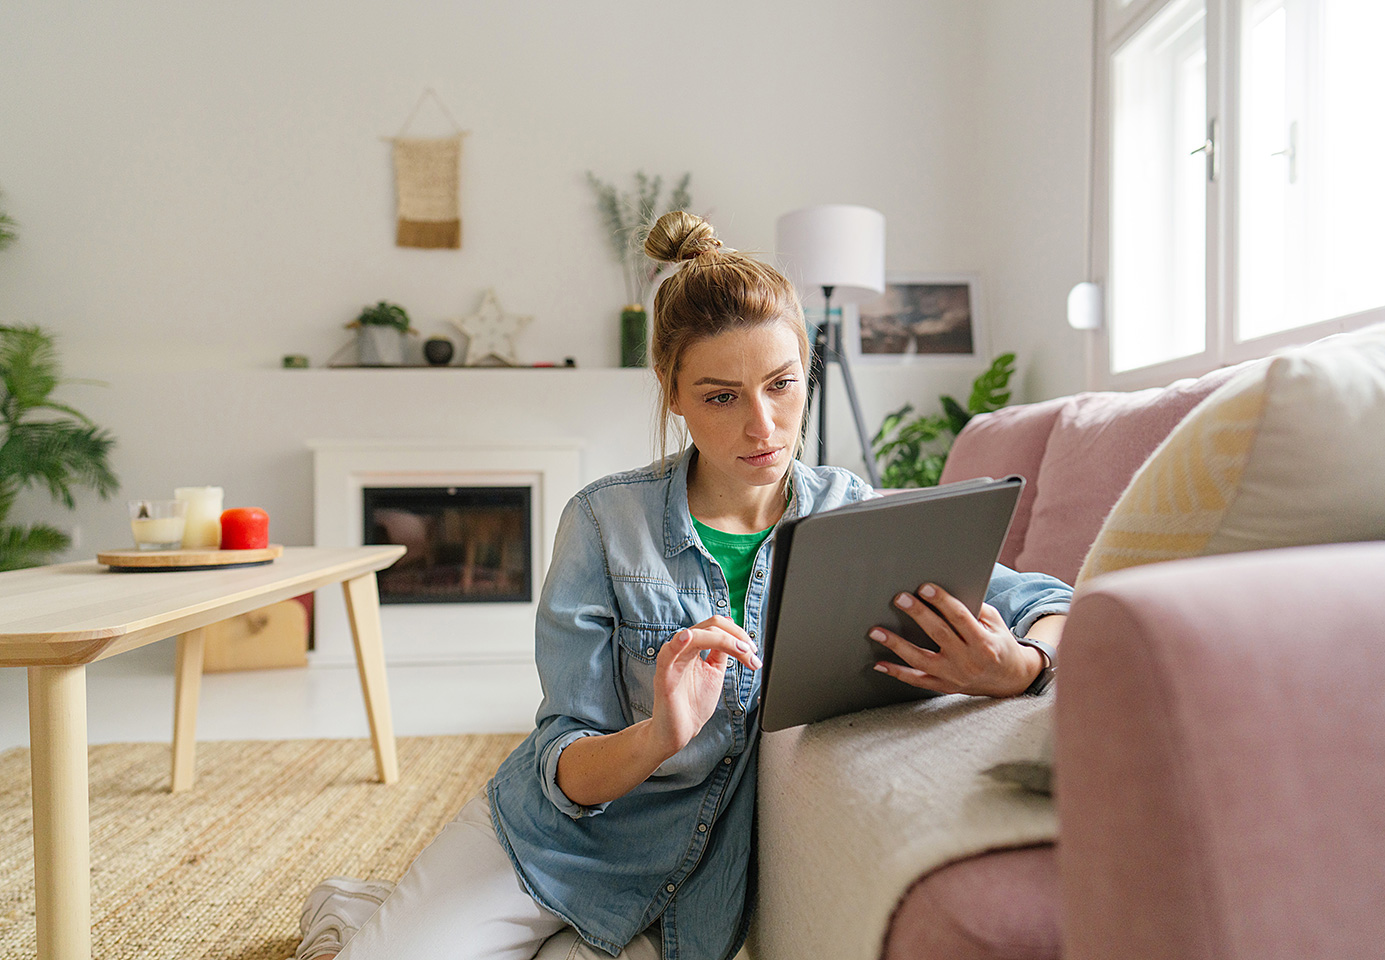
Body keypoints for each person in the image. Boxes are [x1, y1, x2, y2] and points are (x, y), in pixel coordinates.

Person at [290, 212, 1073, 960]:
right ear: (672, 391)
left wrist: (1020, 668)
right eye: (721, 396)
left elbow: (1053, 603)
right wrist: (659, 735)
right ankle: (361, 916)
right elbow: (563, 758)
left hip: (685, 893)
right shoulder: (604, 523)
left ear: (808, 374)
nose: (762, 426)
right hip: (549, 841)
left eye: (782, 385)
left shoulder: (851, 516)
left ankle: (372, 911)